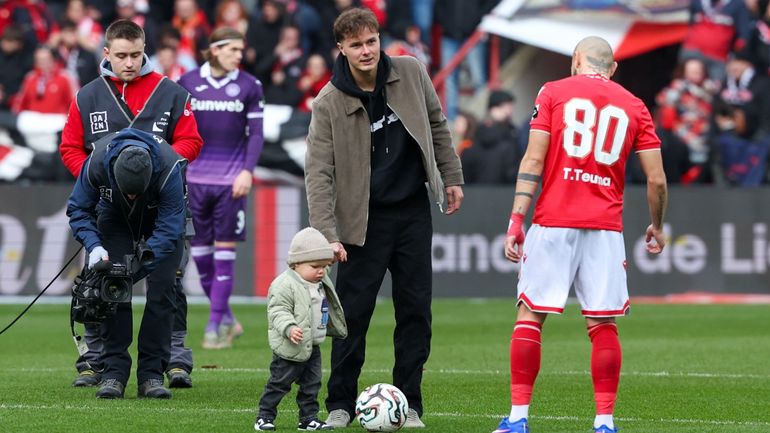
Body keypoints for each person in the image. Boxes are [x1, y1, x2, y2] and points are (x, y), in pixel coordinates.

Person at [492, 36, 668, 433]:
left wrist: (517, 220)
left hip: (554, 221)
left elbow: (534, 158)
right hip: (605, 228)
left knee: (530, 316)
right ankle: (604, 422)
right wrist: (657, 225)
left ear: (576, 60)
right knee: (603, 325)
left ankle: (518, 419)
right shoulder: (635, 105)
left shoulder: (553, 91)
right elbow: (656, 179)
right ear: (613, 68)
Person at [304, 8, 465, 429]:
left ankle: (410, 403)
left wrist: (451, 176)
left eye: (371, 41)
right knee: (351, 317)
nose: (365, 50)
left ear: (379, 39)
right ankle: (339, 402)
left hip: (412, 212)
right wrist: (327, 234)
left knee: (415, 312)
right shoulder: (328, 102)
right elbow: (318, 173)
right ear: (341, 48)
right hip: (361, 223)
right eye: (355, 44)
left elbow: (437, 123)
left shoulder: (410, 72)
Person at [59, 19, 202, 390]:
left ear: (145, 52)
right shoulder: (87, 96)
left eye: (136, 55)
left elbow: (191, 142)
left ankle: (156, 370)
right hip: (111, 206)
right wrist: (100, 177)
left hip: (162, 199)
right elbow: (70, 148)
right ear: (106, 53)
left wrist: (158, 166)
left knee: (165, 287)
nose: (129, 62)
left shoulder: (171, 93)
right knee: (110, 284)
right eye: (121, 55)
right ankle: (110, 369)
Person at [66, 128, 187, 399]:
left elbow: (170, 229)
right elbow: (78, 208)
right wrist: (94, 245)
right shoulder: (96, 162)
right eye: (127, 192)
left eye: (136, 193)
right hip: (114, 218)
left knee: (164, 290)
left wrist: (139, 267)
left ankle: (152, 376)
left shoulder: (170, 168)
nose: (132, 196)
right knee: (112, 288)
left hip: (160, 220)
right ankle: (114, 373)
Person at [177, 27, 265, 349]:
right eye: (232, 50)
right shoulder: (187, 83)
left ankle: (214, 327)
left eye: (241, 51)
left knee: (224, 254)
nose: (239, 56)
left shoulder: (250, 86)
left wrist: (247, 171)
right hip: (194, 182)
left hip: (231, 184)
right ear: (214, 50)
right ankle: (226, 317)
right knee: (200, 256)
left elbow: (256, 134)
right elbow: (176, 129)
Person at [254, 227, 347, 432]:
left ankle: (308, 419)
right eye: (316, 266)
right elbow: (278, 311)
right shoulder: (284, 284)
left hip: (312, 345)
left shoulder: (317, 278)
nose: (321, 271)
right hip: (290, 346)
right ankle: (264, 416)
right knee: (279, 383)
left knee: (312, 385)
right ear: (296, 264)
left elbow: (323, 263)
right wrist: (289, 328)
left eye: (324, 266)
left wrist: (333, 255)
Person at [461, 90, 522, 184]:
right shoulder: (511, 136)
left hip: (475, 193)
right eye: (507, 106)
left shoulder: (476, 134)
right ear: (494, 108)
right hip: (504, 192)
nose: (510, 110)